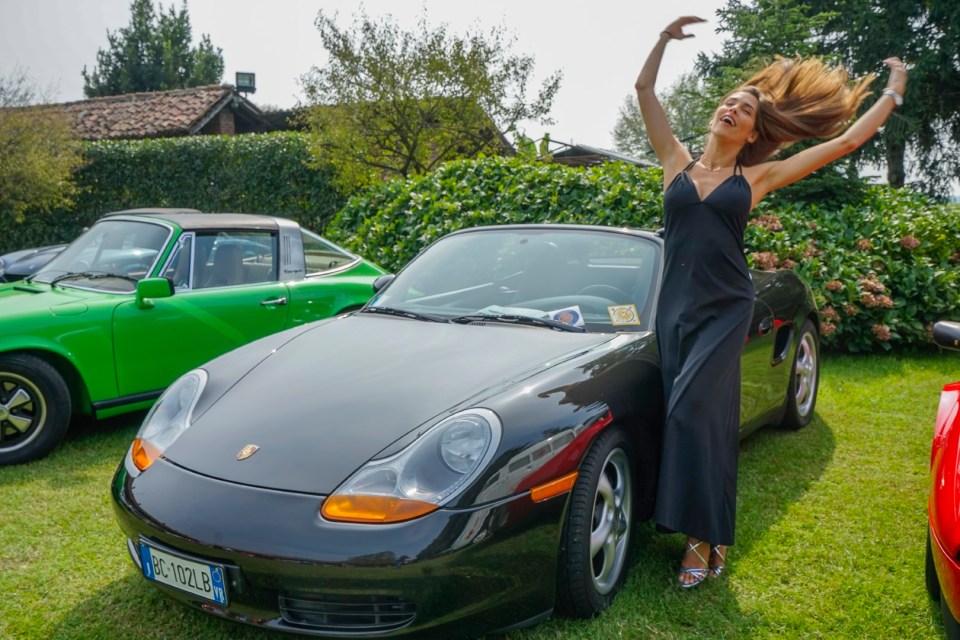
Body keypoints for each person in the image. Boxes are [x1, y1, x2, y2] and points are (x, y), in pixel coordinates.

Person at [635, 15, 908, 588]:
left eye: (745, 110)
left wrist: (893, 91)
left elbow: (846, 142)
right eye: (729, 102)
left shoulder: (755, 178)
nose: (731, 109)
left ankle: (698, 539)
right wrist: (662, 40)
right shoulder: (675, 162)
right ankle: (711, 536)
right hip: (675, 306)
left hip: (725, 307)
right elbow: (644, 90)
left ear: (753, 132)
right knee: (696, 418)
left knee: (690, 414)